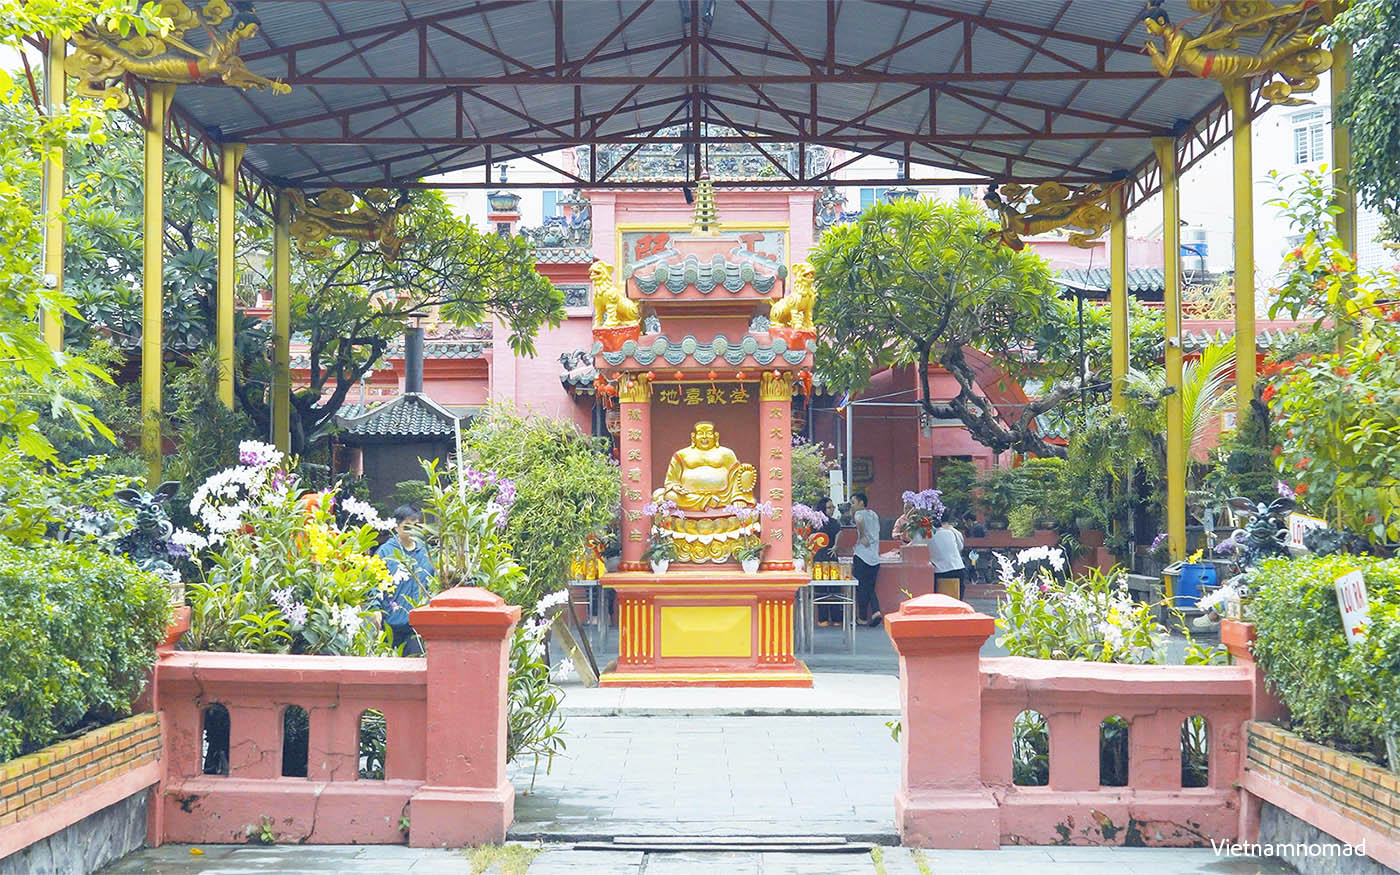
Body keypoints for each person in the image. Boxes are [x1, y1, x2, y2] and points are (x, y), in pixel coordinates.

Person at [374, 505, 434, 656]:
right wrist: (375, 609)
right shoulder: (385, 552)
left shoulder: (426, 553)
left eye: (416, 526)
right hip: (391, 624)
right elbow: (373, 584)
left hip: (417, 627)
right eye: (407, 526)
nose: (412, 531)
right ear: (397, 527)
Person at [850, 492, 883, 626]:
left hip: (862, 556)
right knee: (869, 587)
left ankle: (863, 617)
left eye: (853, 503)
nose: (852, 506)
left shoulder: (859, 514)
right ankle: (875, 612)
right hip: (875, 557)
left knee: (861, 587)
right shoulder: (874, 514)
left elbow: (858, 521)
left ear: (861, 503)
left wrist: (862, 535)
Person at [812, 497, 844, 626]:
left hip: (831, 556)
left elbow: (839, 534)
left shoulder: (834, 522)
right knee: (821, 588)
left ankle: (836, 619)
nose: (832, 510)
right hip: (819, 556)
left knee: (834, 588)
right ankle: (823, 618)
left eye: (833, 507)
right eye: (829, 507)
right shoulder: (815, 523)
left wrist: (836, 546)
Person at [929, 517, 966, 599]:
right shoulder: (950, 532)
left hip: (941, 571)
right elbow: (960, 547)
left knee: (942, 600)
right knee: (958, 600)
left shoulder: (927, 535)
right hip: (958, 567)